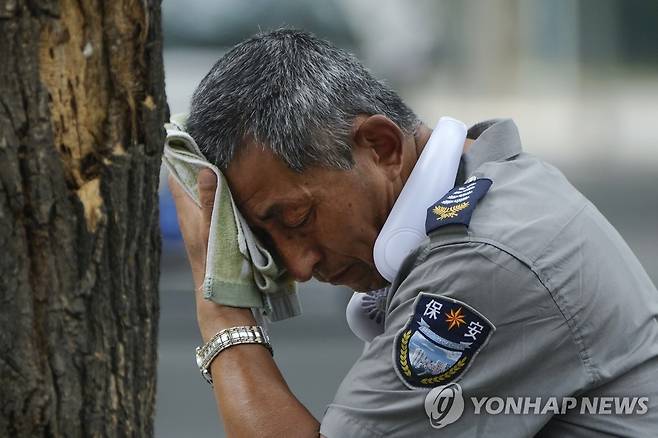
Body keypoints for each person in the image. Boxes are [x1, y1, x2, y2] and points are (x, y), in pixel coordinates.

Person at [168, 29, 658, 437]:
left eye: (296, 219)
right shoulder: (490, 180)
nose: (298, 265)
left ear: (380, 146)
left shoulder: (479, 262)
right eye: (265, 240)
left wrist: (222, 309)